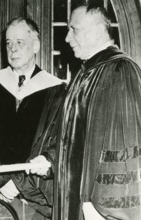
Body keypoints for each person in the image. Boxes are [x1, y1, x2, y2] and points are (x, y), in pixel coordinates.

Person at [31, 3, 141, 220]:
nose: (67, 38)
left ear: (99, 29)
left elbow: (125, 148)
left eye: (75, 29)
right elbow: (73, 141)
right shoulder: (83, 75)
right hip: (77, 203)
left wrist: (103, 208)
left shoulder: (120, 71)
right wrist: (50, 160)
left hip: (97, 211)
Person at [0, 17, 66, 219]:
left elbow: (60, 144)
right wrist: (0, 182)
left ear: (36, 45)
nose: (12, 49)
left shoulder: (57, 91)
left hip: (36, 198)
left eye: (19, 42)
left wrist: (19, 183)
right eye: (8, 43)